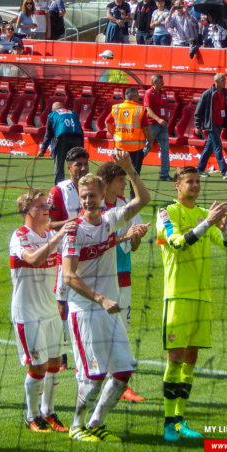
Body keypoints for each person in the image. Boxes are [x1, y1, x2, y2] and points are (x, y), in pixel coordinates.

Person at [63, 151, 150, 442]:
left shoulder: (110, 220)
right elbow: (69, 276)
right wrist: (100, 298)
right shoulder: (74, 231)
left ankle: (96, 421)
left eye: (92, 196)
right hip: (85, 309)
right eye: (83, 196)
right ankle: (77, 425)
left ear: (102, 195)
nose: (88, 201)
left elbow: (143, 200)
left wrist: (129, 169)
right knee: (94, 375)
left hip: (108, 310)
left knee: (124, 370)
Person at [155, 165, 227, 442]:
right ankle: (168, 424)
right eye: (189, 181)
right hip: (177, 294)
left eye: (198, 181)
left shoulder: (204, 215)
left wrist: (223, 230)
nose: (195, 185)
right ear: (177, 185)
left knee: (191, 358)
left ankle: (180, 419)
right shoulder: (168, 212)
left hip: (203, 296)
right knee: (175, 358)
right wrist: (207, 224)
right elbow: (177, 243)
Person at [9, 189, 73, 433]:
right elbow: (34, 258)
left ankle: (48, 412)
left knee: (55, 363)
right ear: (27, 212)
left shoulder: (49, 234)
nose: (47, 209)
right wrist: (56, 239)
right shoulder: (19, 236)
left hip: (50, 312)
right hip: (27, 313)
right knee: (37, 367)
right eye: (40, 206)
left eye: (47, 205)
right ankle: (31, 416)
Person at [96, 161, 150, 403]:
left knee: (122, 329)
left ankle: (119, 382)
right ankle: (107, 378)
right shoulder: (93, 208)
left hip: (122, 274)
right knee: (102, 330)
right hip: (100, 277)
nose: (123, 185)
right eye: (120, 181)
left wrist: (136, 236)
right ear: (107, 183)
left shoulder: (125, 207)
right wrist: (124, 236)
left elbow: (133, 247)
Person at [47, 147, 90, 370]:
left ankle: (85, 353)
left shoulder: (94, 186)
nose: (83, 169)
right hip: (64, 255)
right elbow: (48, 224)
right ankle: (61, 354)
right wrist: (70, 224)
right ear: (68, 167)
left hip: (91, 255)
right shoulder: (58, 191)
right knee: (62, 305)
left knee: (87, 303)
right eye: (78, 165)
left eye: (85, 164)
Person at [105, 87, 152, 198]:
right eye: (138, 96)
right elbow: (146, 128)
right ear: (134, 96)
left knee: (117, 174)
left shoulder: (117, 108)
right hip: (136, 148)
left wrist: (114, 136)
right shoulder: (140, 109)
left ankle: (114, 196)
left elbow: (107, 122)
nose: (139, 98)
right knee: (134, 175)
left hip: (120, 147)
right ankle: (133, 197)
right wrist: (150, 140)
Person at [194, 73, 227, 180]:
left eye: (225, 80)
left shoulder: (224, 94)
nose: (225, 82)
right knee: (218, 147)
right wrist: (197, 125)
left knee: (209, 148)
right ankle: (224, 171)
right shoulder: (207, 94)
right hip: (210, 125)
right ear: (216, 81)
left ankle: (199, 169)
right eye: (223, 80)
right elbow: (198, 111)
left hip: (219, 124)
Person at [37, 102, 84, 185]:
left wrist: (42, 150)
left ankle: (59, 187)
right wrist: (82, 149)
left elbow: (48, 135)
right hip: (77, 139)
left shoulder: (52, 115)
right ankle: (79, 184)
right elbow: (81, 132)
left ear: (53, 109)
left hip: (63, 140)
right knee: (77, 164)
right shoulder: (74, 114)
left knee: (59, 166)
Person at [143, 74, 172, 181]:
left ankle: (164, 174)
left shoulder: (164, 93)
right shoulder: (148, 93)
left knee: (165, 149)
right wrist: (159, 119)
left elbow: (166, 107)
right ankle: (134, 168)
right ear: (154, 83)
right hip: (152, 126)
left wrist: (166, 117)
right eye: (161, 81)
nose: (163, 83)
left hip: (163, 126)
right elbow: (148, 110)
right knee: (147, 147)